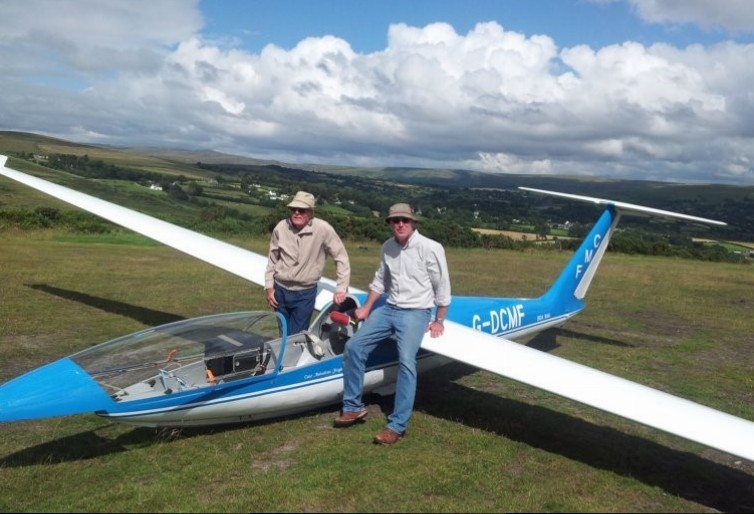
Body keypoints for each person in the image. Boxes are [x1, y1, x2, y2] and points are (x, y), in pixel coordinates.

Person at [334, 202, 451, 445]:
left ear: (413, 223)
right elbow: (380, 280)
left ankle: (397, 425)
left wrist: (439, 319)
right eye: (395, 220)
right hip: (389, 308)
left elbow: (442, 285)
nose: (400, 224)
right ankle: (353, 407)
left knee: (406, 361)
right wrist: (366, 307)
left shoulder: (431, 248)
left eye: (404, 220)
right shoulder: (388, 246)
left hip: (416, 312)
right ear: (389, 223)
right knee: (354, 347)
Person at [265, 191, 350, 334]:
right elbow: (272, 260)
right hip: (280, 290)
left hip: (304, 294)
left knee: (296, 337)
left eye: (302, 210)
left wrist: (341, 288)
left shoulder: (323, 229)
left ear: (311, 212)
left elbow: (341, 258)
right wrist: (269, 287)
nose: (296, 213)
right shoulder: (281, 227)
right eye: (293, 209)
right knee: (283, 334)